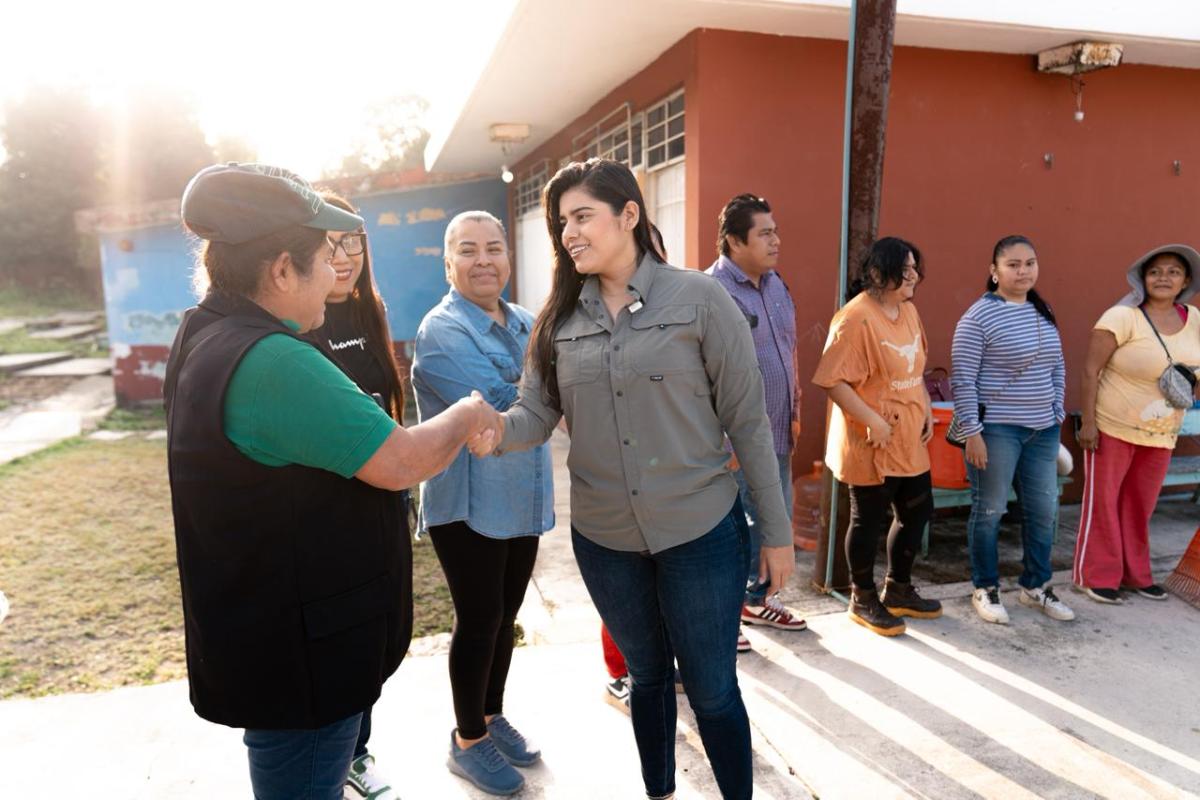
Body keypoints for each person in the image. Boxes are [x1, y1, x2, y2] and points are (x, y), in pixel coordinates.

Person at [165, 163, 499, 800]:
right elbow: (401, 460)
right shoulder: (275, 362)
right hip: (305, 657)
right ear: (282, 269)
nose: (336, 272)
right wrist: (469, 412)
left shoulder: (204, 333)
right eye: (323, 257)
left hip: (264, 636)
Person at [472, 158, 793, 800]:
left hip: (700, 531)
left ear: (628, 215)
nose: (569, 233)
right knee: (646, 678)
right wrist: (494, 432)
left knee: (711, 688)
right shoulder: (558, 319)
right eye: (562, 222)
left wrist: (776, 533)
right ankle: (661, 790)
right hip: (607, 540)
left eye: (583, 216)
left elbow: (749, 422)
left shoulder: (700, 300)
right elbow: (536, 412)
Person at [411, 211, 554, 796]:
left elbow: (547, 395)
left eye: (493, 248)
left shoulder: (525, 321)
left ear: (508, 257)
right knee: (479, 620)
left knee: (505, 619)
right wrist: (544, 389)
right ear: (448, 264)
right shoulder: (441, 330)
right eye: (467, 251)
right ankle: (467, 739)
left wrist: (544, 391)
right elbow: (500, 403)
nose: (483, 260)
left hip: (522, 493)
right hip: (468, 503)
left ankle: (491, 717)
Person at [304, 193, 405, 800]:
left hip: (381, 497)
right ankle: (350, 755)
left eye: (354, 243)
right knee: (342, 638)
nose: (343, 258)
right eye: (330, 244)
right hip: (331, 506)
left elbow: (385, 408)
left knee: (378, 635)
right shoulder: (303, 322)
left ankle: (356, 748)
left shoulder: (372, 311)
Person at [813, 237, 942, 637]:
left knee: (917, 509)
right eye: (903, 270)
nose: (913, 277)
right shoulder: (855, 319)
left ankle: (899, 588)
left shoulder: (909, 311)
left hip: (907, 431)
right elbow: (832, 381)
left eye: (914, 268)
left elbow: (915, 367)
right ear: (876, 274)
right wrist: (871, 419)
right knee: (867, 519)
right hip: (869, 436)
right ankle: (862, 596)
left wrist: (924, 405)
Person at [951, 235, 1074, 625]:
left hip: (1042, 431)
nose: (1023, 271)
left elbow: (1057, 364)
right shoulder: (978, 317)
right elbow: (963, 380)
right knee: (989, 511)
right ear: (994, 271)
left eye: (1030, 263)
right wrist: (972, 432)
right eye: (1013, 264)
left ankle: (1035, 585)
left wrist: (1055, 408)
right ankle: (984, 587)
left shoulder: (1042, 310)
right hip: (998, 431)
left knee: (1042, 511)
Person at [706, 194, 807, 647]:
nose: (776, 241)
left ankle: (760, 598)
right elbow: (703, 371)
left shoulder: (776, 285)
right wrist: (724, 438)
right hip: (736, 438)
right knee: (739, 526)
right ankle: (733, 609)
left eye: (776, 231)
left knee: (773, 518)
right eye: (765, 234)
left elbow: (788, 348)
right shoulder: (713, 293)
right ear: (733, 240)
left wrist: (797, 406)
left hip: (779, 426)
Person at [1074, 244, 1200, 603]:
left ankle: (1135, 575)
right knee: (1104, 503)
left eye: (1173, 272)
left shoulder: (1194, 318)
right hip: (1112, 427)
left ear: (1185, 280)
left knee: (1139, 506)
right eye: (1155, 271)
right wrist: (1089, 423)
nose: (1164, 278)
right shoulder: (1121, 316)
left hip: (1162, 433)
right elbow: (1090, 370)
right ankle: (1096, 575)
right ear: (1142, 279)